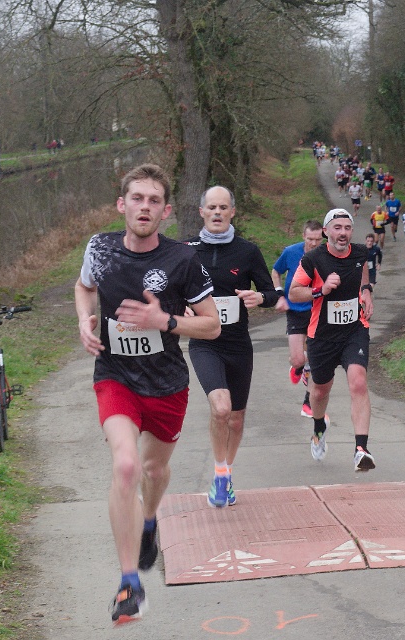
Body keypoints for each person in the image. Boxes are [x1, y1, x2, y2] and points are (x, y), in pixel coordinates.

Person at [74, 164, 220, 624]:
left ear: (166, 211)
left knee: (154, 470)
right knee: (126, 466)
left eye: (154, 200)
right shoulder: (100, 249)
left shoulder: (183, 260)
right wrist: (84, 320)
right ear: (122, 204)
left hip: (166, 384)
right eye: (137, 198)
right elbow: (83, 287)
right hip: (115, 376)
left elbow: (213, 325)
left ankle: (150, 519)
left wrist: (166, 321)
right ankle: (129, 584)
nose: (144, 207)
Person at [185, 186, 281, 509]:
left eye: (223, 207)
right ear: (201, 212)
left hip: (239, 344)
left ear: (232, 212)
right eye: (211, 207)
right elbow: (168, 290)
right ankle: (220, 474)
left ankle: (226, 473)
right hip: (205, 343)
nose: (217, 213)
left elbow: (272, 293)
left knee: (236, 418)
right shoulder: (186, 251)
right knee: (221, 408)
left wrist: (260, 297)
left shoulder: (248, 251)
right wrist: (181, 307)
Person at [289, 208, 376, 471]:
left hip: (354, 330)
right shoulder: (313, 259)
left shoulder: (359, 253)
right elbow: (294, 292)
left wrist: (366, 291)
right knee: (319, 391)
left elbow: (363, 270)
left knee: (358, 382)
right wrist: (321, 290)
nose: (343, 233)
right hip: (322, 336)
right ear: (326, 231)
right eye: (337, 228)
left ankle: (361, 449)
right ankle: (319, 428)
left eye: (347, 228)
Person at [272, 220, 324, 416]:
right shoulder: (291, 252)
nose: (314, 243)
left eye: (318, 239)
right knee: (297, 359)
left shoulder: (327, 254)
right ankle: (298, 367)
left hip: (317, 309)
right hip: (294, 310)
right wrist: (279, 295)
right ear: (303, 236)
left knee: (316, 357)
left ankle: (308, 402)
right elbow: (276, 271)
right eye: (310, 239)